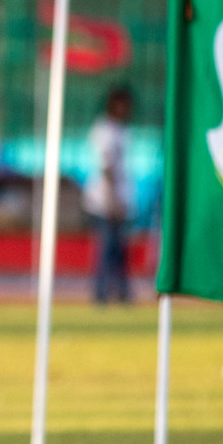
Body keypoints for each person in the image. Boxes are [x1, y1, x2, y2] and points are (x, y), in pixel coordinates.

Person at [81, 85, 134, 305]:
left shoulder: (119, 130)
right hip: (103, 201)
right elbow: (107, 167)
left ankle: (121, 292)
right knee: (107, 249)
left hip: (115, 199)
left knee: (118, 250)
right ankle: (101, 294)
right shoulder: (104, 130)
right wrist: (113, 200)